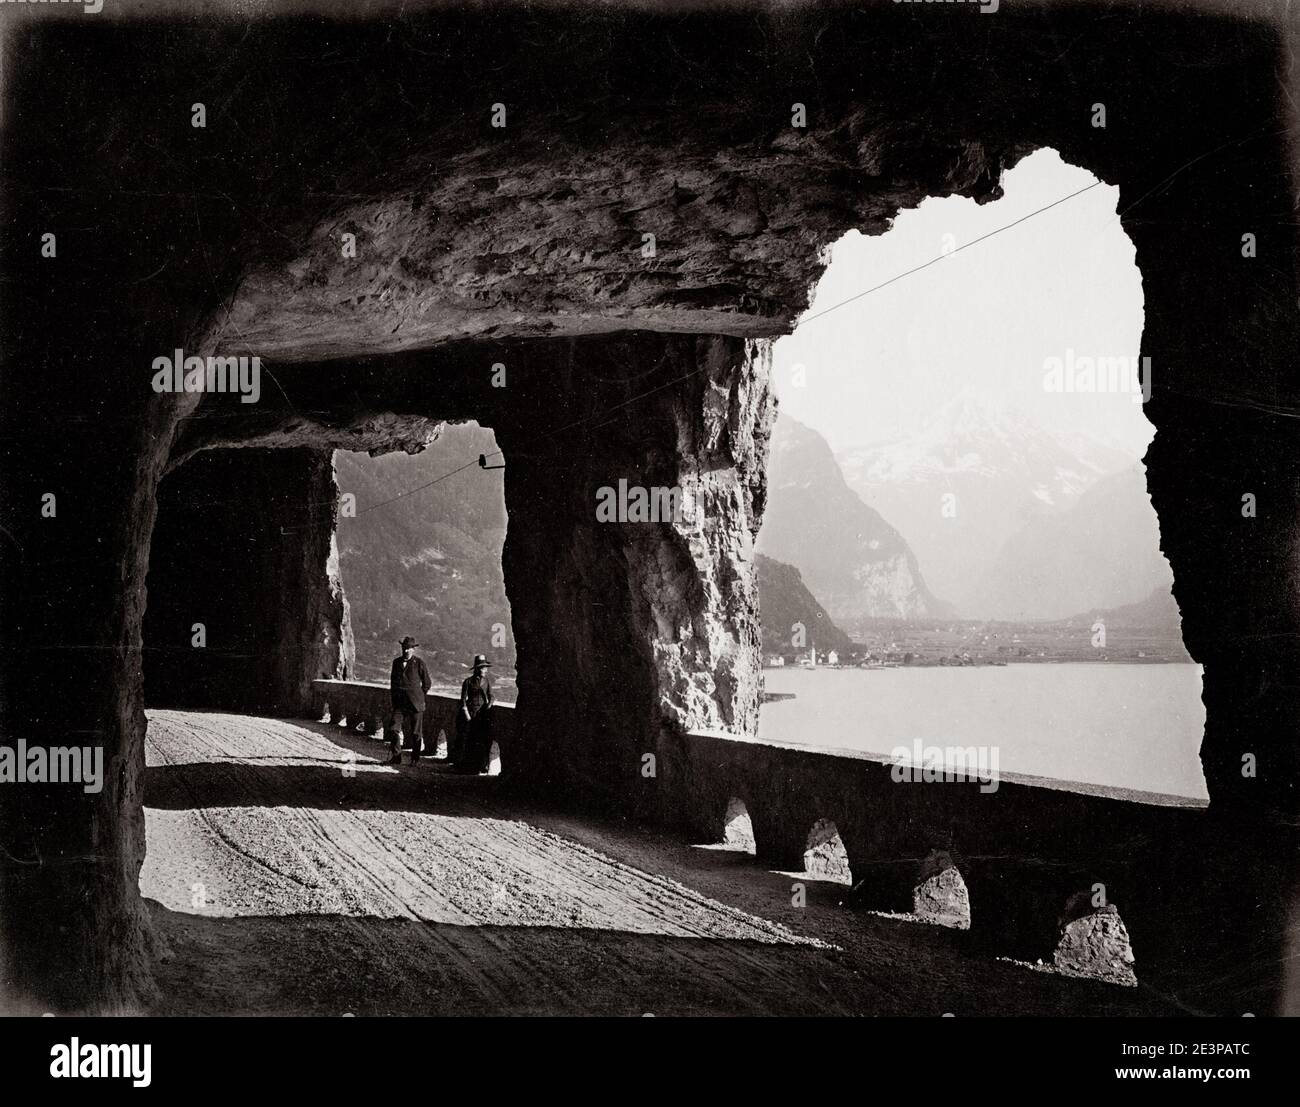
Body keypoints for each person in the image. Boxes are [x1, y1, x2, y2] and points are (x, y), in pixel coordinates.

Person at [388, 636, 431, 765]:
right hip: (400, 704)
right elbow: (393, 683)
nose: (406, 651)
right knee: (393, 728)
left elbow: (427, 683)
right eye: (405, 648)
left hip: (416, 704)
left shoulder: (419, 663)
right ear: (402, 648)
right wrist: (395, 699)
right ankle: (396, 756)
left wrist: (419, 696)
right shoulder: (396, 663)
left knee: (416, 733)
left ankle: (415, 759)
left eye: (409, 649)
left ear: (413, 650)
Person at [454, 654, 494, 773]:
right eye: (482, 668)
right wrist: (466, 714)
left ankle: (480, 766)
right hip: (471, 714)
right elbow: (463, 699)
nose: (484, 670)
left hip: (482, 715)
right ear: (477, 669)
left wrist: (489, 704)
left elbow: (491, 695)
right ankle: (468, 766)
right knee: (470, 740)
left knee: (481, 740)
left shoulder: (487, 682)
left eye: (485, 668)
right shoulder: (468, 682)